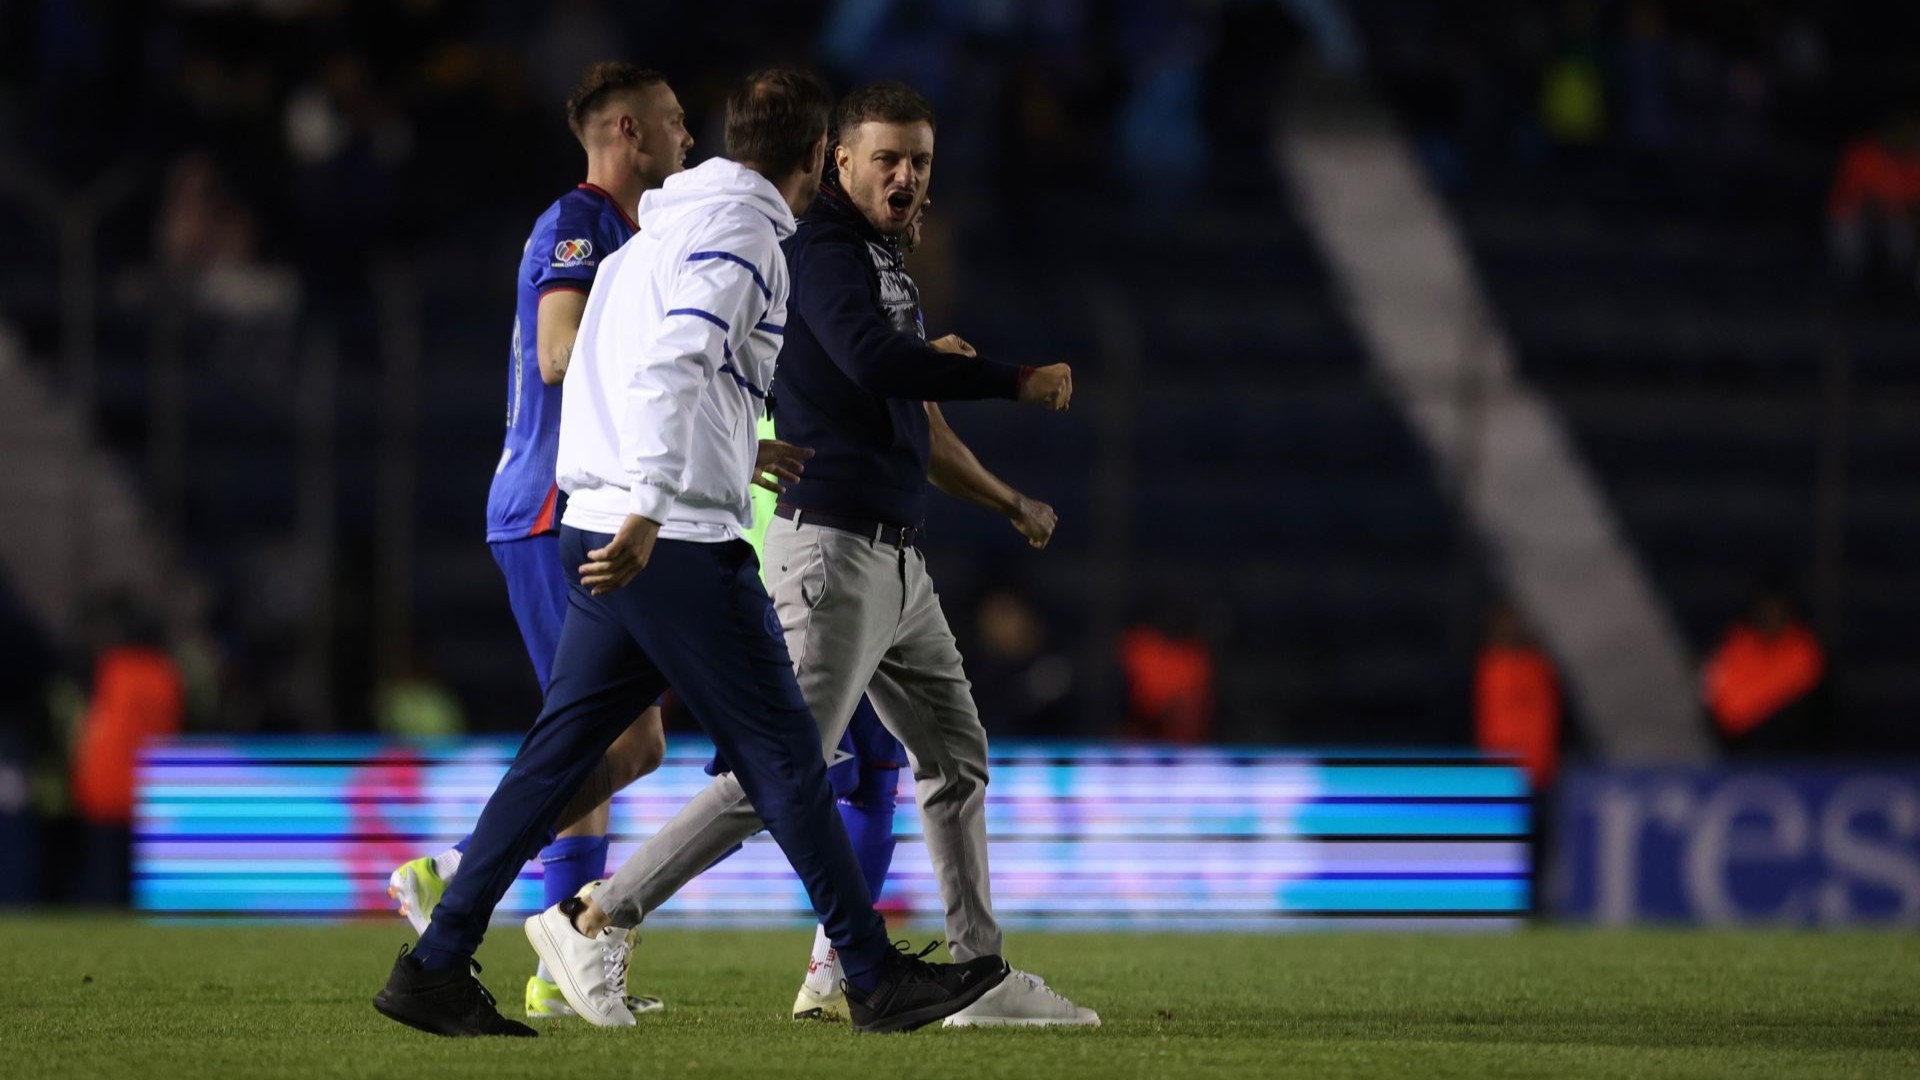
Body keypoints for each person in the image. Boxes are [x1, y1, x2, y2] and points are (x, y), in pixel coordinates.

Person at [371, 68, 1007, 1039]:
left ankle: (436, 960)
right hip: (670, 541)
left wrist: (643, 486)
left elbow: (604, 366)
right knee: (790, 756)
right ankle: (873, 978)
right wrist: (651, 508)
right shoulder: (747, 236)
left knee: (562, 757)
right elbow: (674, 363)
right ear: (816, 158)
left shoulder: (658, 230)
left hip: (597, 521)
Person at [547, 81, 1096, 1029]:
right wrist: (1010, 380)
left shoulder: (876, 259)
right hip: (831, 557)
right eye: (886, 159)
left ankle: (978, 971)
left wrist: (1004, 496)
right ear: (838, 161)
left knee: (953, 756)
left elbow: (905, 409)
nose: (905, 176)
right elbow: (874, 362)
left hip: (895, 560)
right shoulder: (826, 250)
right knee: (779, 772)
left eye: (919, 160)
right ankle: (594, 917)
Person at [385, 61, 691, 1021]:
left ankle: (557, 963)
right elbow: (559, 351)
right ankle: (460, 879)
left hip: (577, 506)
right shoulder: (579, 223)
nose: (688, 137)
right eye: (674, 120)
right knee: (613, 735)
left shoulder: (627, 232)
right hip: (553, 507)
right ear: (628, 131)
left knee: (616, 737)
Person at [1702, 587, 1827, 756]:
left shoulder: (1805, 650)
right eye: (1766, 611)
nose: (1772, 617)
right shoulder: (1735, 646)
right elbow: (1726, 709)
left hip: (1796, 753)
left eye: (1778, 612)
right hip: (1738, 751)